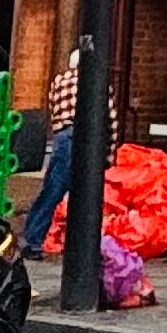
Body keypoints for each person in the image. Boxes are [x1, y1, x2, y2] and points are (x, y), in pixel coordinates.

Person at [19, 43, 114, 259]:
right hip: (89, 137)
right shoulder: (97, 83)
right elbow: (111, 119)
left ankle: (32, 240)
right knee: (88, 194)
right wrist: (109, 154)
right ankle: (84, 246)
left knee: (52, 190)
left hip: (63, 137)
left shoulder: (58, 81)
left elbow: (53, 107)